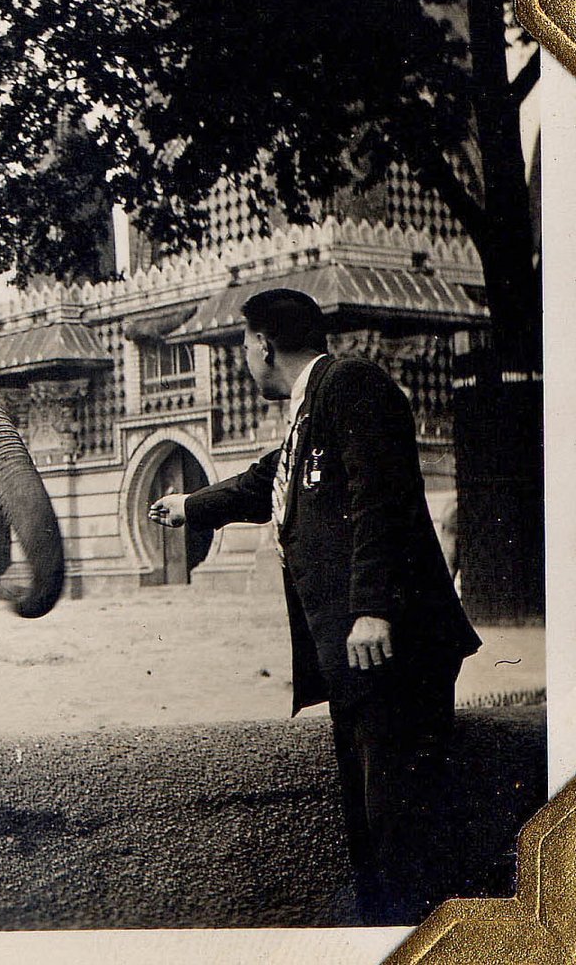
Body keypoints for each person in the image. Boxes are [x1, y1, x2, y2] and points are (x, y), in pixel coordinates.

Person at [147, 288, 481, 925]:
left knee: (400, 835)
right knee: (370, 834)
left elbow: (379, 496)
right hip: (358, 659)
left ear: (263, 345)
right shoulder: (311, 412)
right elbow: (266, 483)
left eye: (244, 345)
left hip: (391, 647)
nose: (245, 357)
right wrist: (193, 506)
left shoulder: (350, 385)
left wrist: (373, 607)